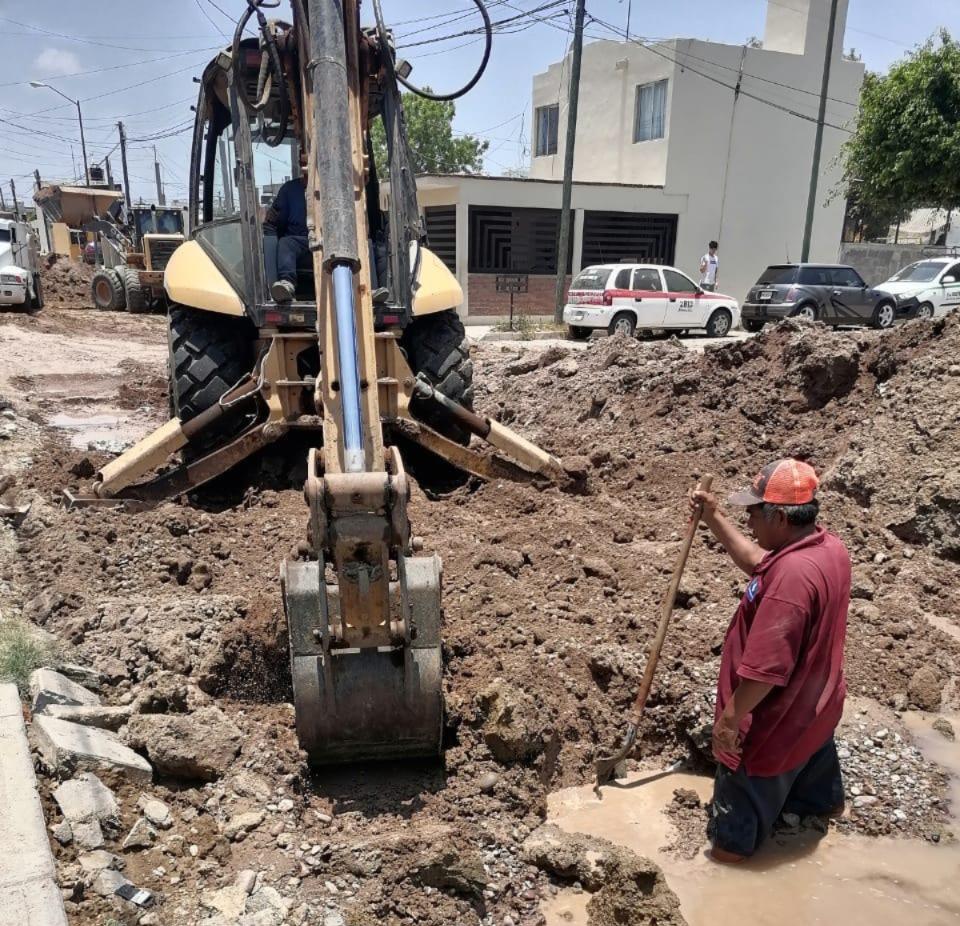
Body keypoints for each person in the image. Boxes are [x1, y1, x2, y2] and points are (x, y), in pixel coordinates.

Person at [690, 459, 850, 863]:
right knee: (817, 795)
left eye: (753, 512)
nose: (748, 521)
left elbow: (765, 672)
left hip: (768, 729)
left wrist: (729, 721)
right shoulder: (827, 548)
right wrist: (713, 518)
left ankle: (734, 876)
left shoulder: (790, 581)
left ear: (779, 516)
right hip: (814, 714)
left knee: (729, 855)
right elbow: (759, 562)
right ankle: (814, 809)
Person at [265, 172, 308, 303]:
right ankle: (287, 283)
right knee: (286, 243)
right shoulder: (289, 189)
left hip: (328, 242)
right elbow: (276, 220)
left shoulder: (334, 188)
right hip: (300, 242)